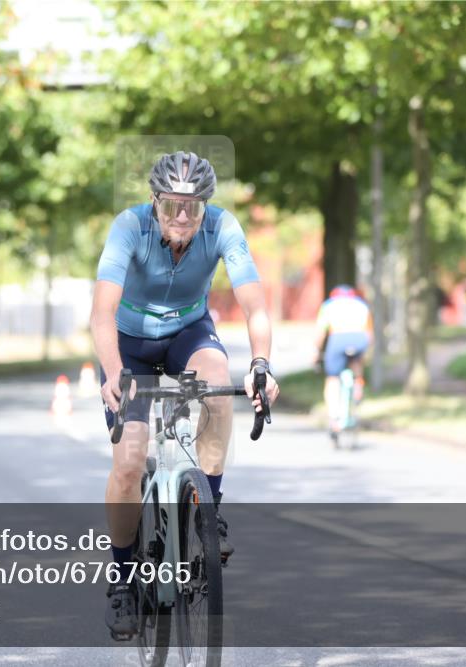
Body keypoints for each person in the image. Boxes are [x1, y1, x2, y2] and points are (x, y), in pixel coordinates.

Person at [90, 150, 279, 638]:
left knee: (218, 378)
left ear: (204, 207)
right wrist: (113, 374)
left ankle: (207, 516)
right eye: (171, 205)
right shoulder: (129, 227)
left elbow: (255, 305)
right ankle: (123, 578)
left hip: (188, 334)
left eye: (192, 207)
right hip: (128, 344)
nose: (181, 217)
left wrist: (261, 363)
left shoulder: (223, 228)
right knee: (129, 462)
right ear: (154, 201)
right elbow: (101, 313)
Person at [306, 285, 373, 435]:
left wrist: (316, 351)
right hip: (359, 339)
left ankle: (334, 418)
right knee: (356, 363)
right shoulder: (362, 305)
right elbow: (369, 334)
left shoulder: (329, 305)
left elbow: (320, 332)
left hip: (338, 339)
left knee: (333, 379)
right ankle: (357, 385)